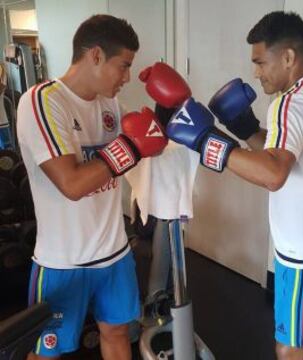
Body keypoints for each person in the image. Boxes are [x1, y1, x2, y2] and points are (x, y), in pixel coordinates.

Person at [158, 11, 303, 360]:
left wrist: (206, 141)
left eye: (260, 62)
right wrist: (244, 130)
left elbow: (274, 174)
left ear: (288, 57)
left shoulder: (291, 103)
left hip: (302, 254)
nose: (256, 73)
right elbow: (285, 155)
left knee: (289, 347)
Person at [17, 14, 168, 360]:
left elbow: (152, 142)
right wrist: (131, 146)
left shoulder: (110, 105)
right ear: (96, 55)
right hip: (62, 261)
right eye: (124, 66)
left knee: (117, 333)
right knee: (47, 351)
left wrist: (170, 109)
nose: (128, 77)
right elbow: (71, 184)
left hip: (113, 253)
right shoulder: (42, 101)